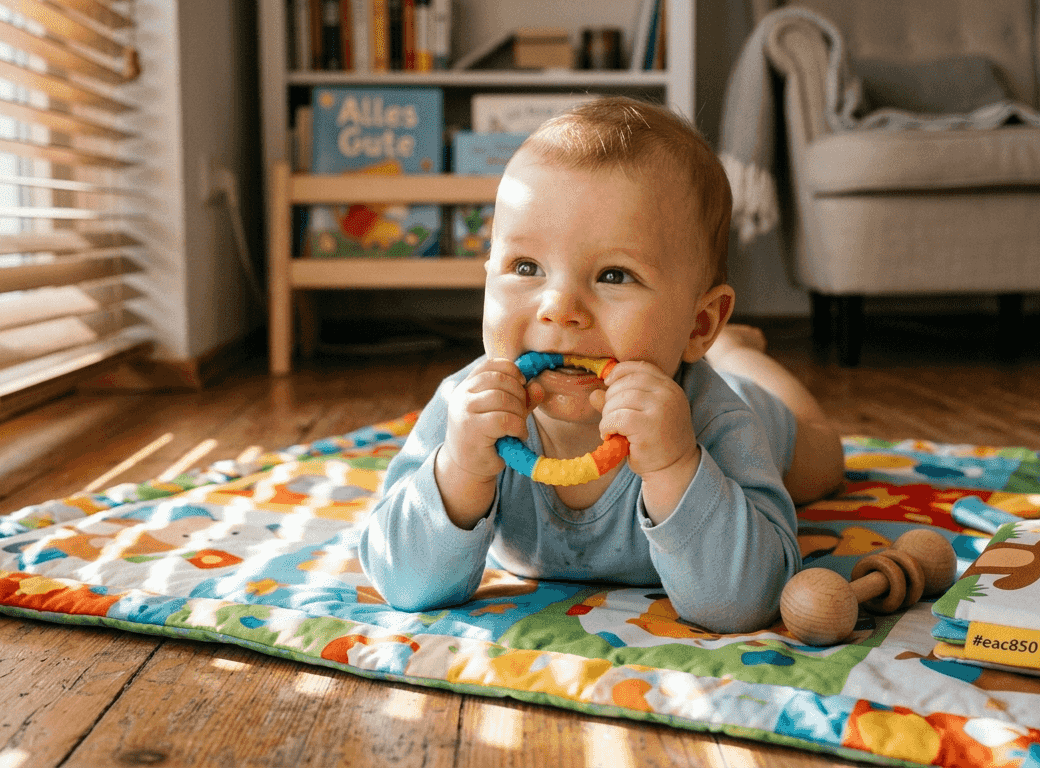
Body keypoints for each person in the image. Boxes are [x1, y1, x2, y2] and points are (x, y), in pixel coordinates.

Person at [358, 96, 844, 633]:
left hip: (759, 412)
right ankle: (731, 350)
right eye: (526, 267)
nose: (559, 308)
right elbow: (402, 583)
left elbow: (744, 602)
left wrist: (674, 467)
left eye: (614, 275)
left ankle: (736, 354)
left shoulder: (716, 420)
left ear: (698, 324)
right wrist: (459, 474)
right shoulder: (465, 409)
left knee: (827, 459)